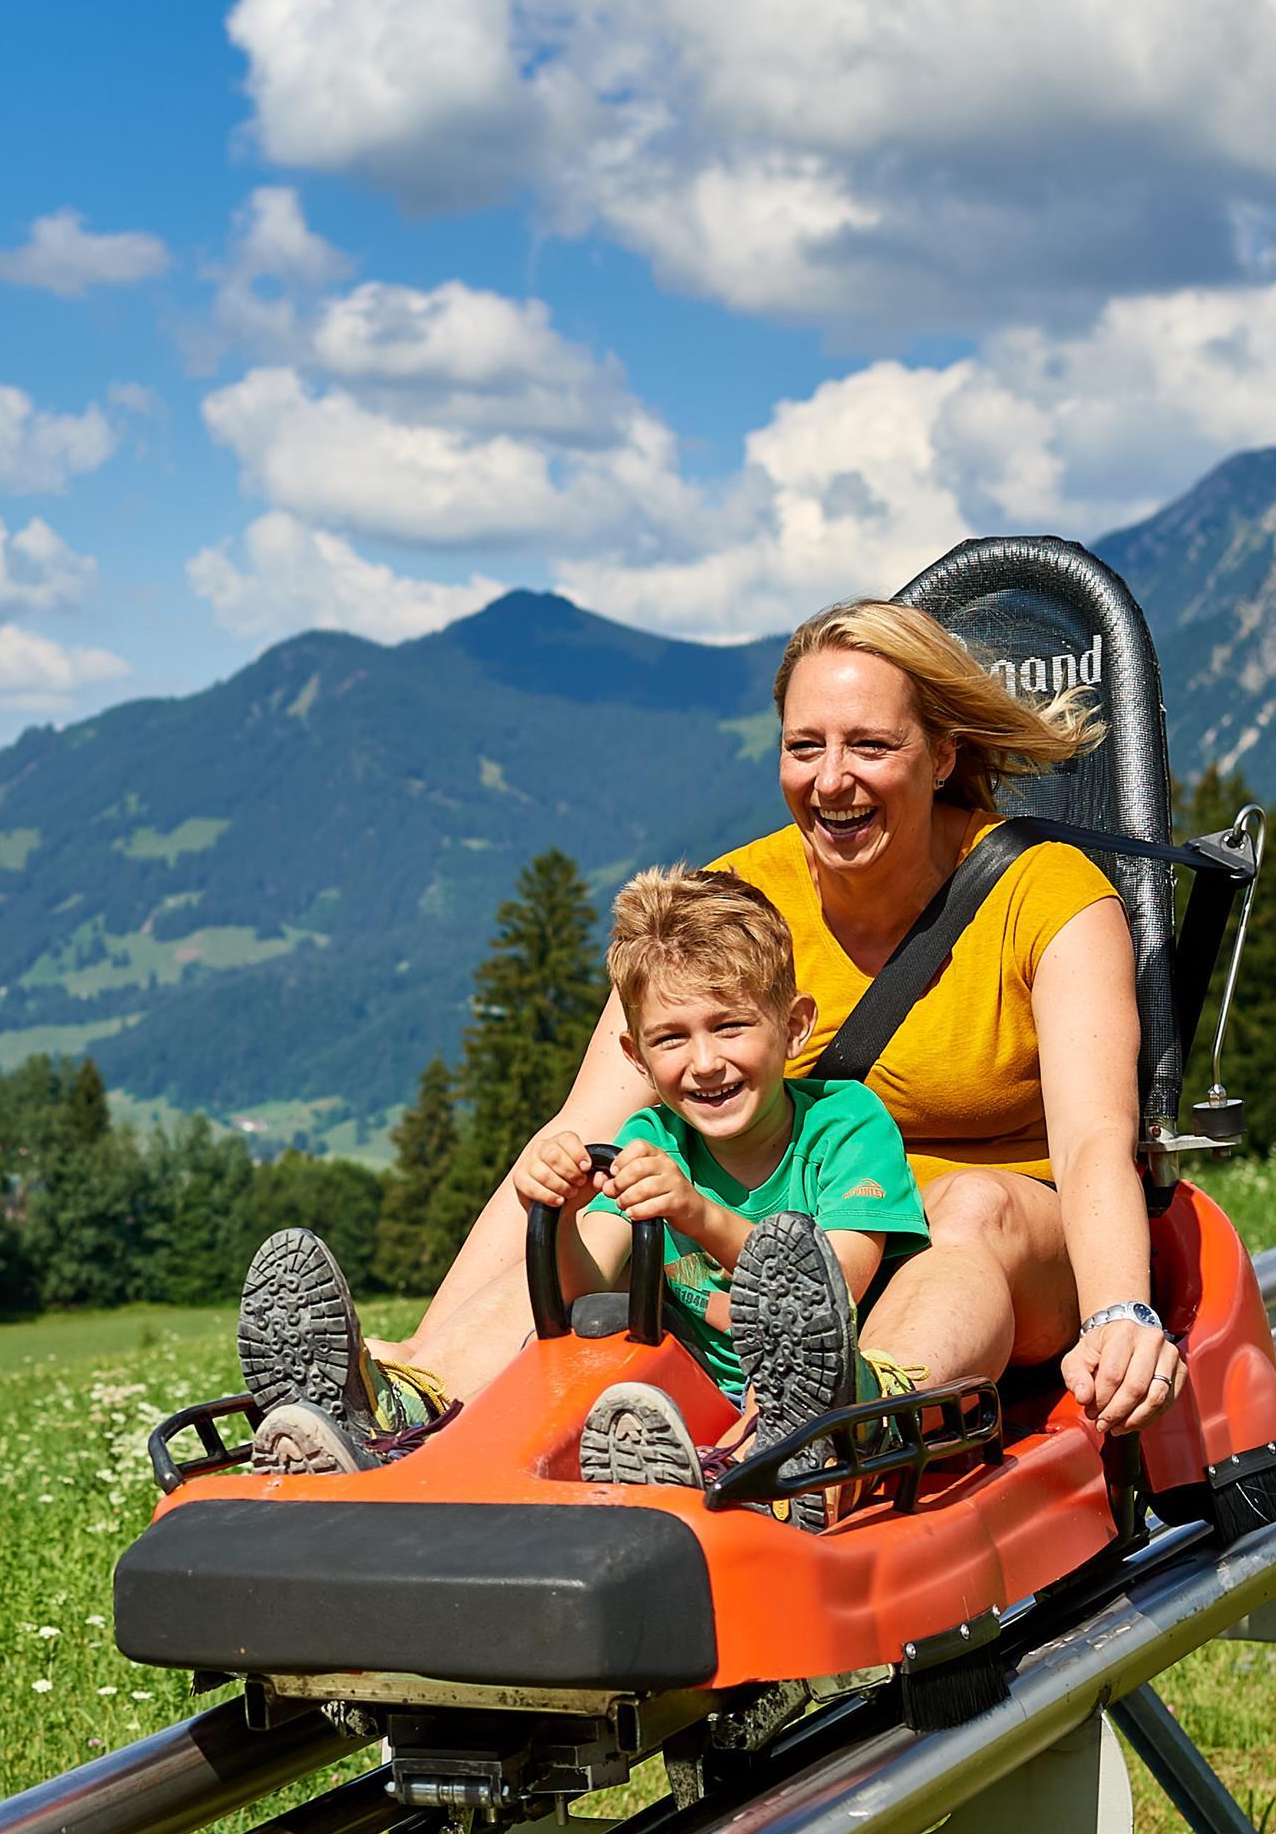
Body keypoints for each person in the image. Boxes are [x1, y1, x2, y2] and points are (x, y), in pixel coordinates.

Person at [238, 595, 1185, 1453]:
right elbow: (585, 1131)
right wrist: (435, 1338)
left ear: (942, 755)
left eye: (869, 745)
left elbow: (1098, 1138)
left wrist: (1118, 1313)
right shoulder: (729, 909)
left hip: (996, 1254)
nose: (832, 779)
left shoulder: (1048, 896)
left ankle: (844, 1415)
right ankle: (404, 1402)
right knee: (608, 1203)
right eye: (804, 745)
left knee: (967, 1209)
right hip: (767, 1252)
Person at [504, 866, 926, 1495]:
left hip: (829, 1389)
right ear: (636, 1057)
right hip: (688, 1395)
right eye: (670, 1039)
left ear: (794, 1026)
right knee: (581, 1333)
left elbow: (825, 1289)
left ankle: (776, 1458)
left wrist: (697, 1214)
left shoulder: (846, 1126)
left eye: (730, 1026)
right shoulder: (651, 1140)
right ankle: (412, 1421)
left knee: (806, 1368)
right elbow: (588, 1291)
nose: (704, 1064)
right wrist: (560, 1217)